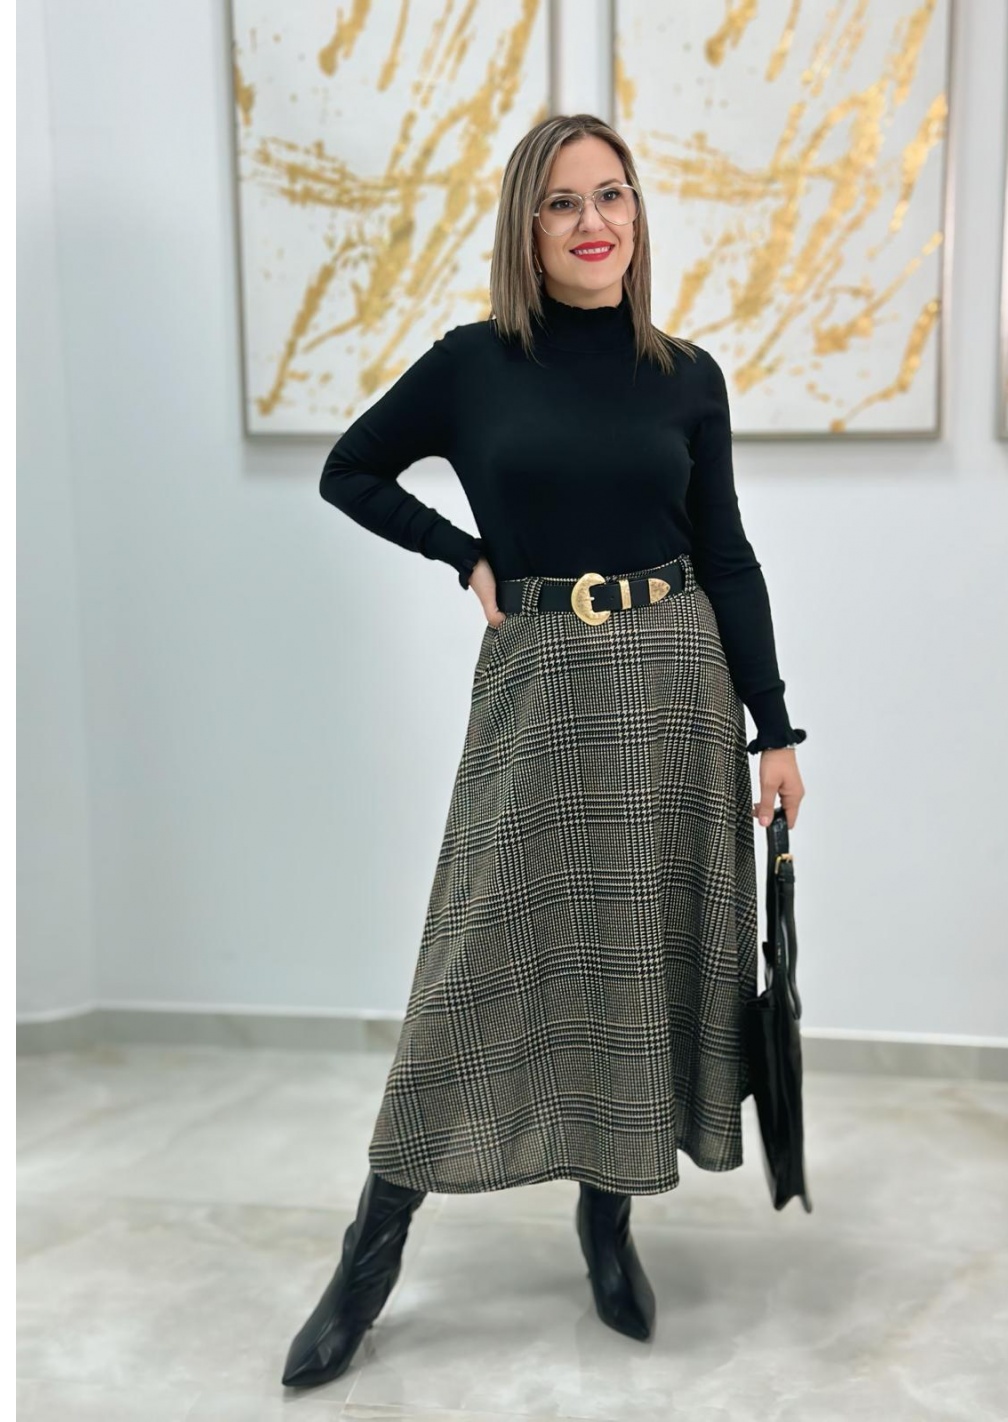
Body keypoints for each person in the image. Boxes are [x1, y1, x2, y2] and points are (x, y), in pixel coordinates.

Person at [282, 113, 806, 1390]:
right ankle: (369, 1255)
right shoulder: (474, 365)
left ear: (636, 214)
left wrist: (773, 726)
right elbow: (351, 471)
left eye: (612, 196)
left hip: (675, 683)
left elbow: (725, 553)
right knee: (471, 962)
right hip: (539, 684)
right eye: (564, 202)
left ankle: (606, 1223)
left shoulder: (685, 374)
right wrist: (462, 554)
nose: (592, 222)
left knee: (631, 956)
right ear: (527, 225)